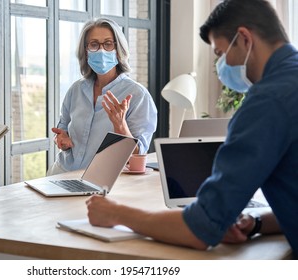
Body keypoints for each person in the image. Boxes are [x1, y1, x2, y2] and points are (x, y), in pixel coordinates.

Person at [86, 0, 298, 259]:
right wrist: (256, 223)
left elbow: (200, 229)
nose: (222, 66)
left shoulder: (267, 102)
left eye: (220, 53)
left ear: (244, 39)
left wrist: (116, 213)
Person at [48, 17, 157, 175]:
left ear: (118, 49)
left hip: (101, 180)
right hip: (61, 172)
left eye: (108, 44)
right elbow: (62, 128)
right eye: (94, 44)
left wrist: (120, 125)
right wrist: (61, 139)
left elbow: (138, 156)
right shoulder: (76, 89)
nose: (101, 50)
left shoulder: (137, 95)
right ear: (85, 50)